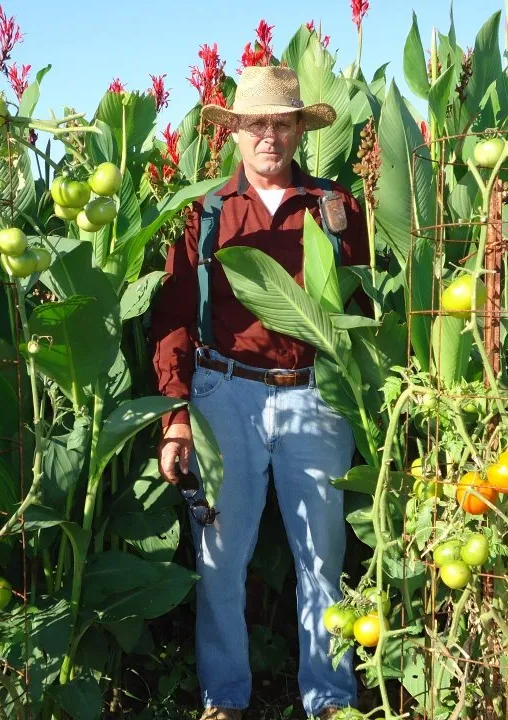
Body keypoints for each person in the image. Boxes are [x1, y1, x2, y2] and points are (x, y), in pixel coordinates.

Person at [151, 66, 369, 720]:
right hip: (226, 395)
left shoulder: (336, 210)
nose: (268, 137)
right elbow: (173, 322)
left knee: (322, 559)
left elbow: (363, 311)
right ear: (235, 133)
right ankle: (225, 699)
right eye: (255, 124)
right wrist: (177, 419)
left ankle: (329, 698)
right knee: (219, 561)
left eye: (282, 123)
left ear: (300, 129)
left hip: (314, 396)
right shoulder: (206, 213)